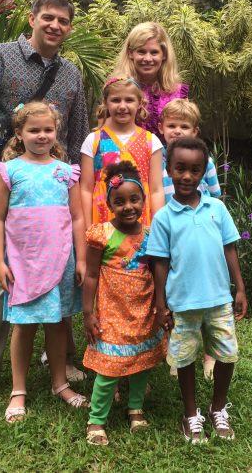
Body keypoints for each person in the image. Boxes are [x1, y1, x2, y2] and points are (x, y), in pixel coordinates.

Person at [0, 0, 88, 409]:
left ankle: (59, 360)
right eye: (48, 17)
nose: (55, 25)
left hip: (55, 190)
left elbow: (78, 134)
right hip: (5, 183)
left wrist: (78, 185)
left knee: (60, 272)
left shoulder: (71, 75)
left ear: (69, 28)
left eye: (63, 21)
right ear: (32, 18)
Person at [0, 102, 89, 422]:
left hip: (60, 260)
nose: (42, 135)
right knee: (24, 325)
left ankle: (60, 383)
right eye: (34, 130)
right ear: (19, 133)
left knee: (58, 323)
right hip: (24, 263)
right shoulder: (9, 172)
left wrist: (81, 258)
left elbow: (77, 218)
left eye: (48, 129)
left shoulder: (66, 172)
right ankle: (18, 390)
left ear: (56, 132)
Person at [147, 137, 248, 444]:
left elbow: (229, 248)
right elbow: (160, 264)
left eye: (195, 169)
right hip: (183, 303)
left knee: (227, 355)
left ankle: (218, 408)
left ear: (204, 171)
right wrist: (161, 304)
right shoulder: (163, 217)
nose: (187, 176)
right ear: (169, 169)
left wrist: (240, 288)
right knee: (184, 359)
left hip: (219, 300)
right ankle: (191, 414)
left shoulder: (217, 208)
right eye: (180, 169)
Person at [81, 161, 166, 446]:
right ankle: (96, 419)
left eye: (134, 199)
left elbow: (157, 272)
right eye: (119, 201)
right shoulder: (101, 234)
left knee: (141, 363)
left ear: (144, 200)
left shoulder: (151, 235)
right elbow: (91, 275)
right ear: (109, 205)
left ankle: (135, 408)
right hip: (112, 312)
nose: (128, 206)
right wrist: (88, 312)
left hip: (143, 311)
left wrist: (161, 307)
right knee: (109, 369)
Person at [158, 99, 221, 380]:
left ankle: (209, 354)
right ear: (161, 127)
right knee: (174, 294)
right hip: (171, 233)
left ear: (195, 131)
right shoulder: (156, 159)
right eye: (172, 125)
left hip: (199, 233)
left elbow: (215, 196)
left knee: (206, 295)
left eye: (184, 126)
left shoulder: (205, 161)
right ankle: (178, 353)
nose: (177, 131)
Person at [79, 77, 164, 228]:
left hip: (140, 221)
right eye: (116, 100)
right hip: (103, 221)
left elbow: (156, 190)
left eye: (129, 100)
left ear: (140, 103)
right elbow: (86, 188)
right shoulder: (93, 140)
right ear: (105, 102)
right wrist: (88, 227)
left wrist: (158, 229)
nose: (122, 106)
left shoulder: (151, 141)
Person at [112, 22, 188, 139]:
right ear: (130, 53)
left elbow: (186, 135)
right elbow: (105, 132)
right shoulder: (117, 89)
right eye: (141, 51)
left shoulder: (178, 93)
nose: (148, 58)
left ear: (164, 55)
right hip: (125, 150)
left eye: (154, 52)